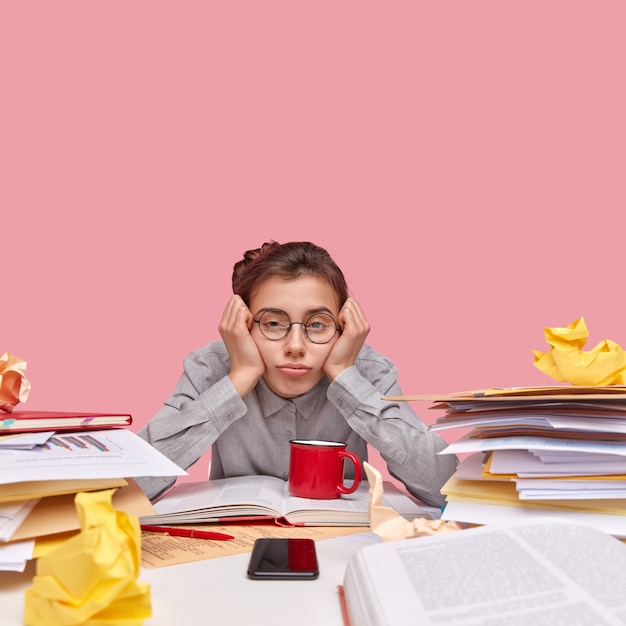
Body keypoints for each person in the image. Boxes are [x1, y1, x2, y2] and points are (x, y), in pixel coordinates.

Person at [136, 241, 457, 507]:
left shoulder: (368, 370)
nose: (295, 346)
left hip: (342, 539)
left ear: (344, 327)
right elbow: (129, 485)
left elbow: (444, 486)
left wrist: (346, 376)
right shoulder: (211, 367)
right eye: (273, 323)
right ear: (243, 325)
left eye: (317, 324)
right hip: (235, 545)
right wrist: (241, 376)